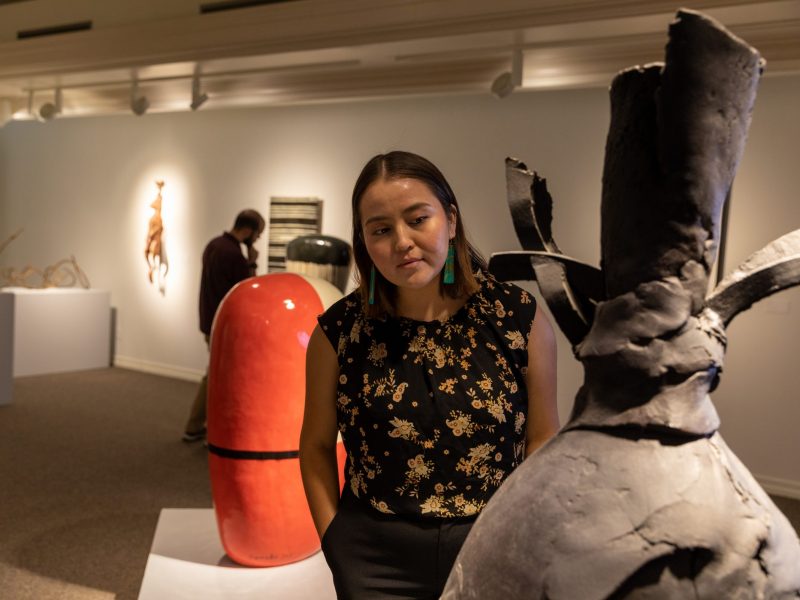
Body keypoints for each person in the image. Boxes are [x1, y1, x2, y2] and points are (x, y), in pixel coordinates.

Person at [299, 151, 559, 598]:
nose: (402, 241)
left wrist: (524, 532)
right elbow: (316, 445)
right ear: (364, 243)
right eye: (381, 229)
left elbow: (543, 439)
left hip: (491, 544)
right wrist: (335, 541)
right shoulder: (339, 333)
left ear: (451, 220)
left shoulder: (517, 320)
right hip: (374, 558)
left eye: (418, 219)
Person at [182, 209, 265, 442]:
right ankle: (196, 425)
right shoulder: (234, 255)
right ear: (248, 231)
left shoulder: (213, 245)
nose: (257, 240)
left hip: (210, 320)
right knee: (218, 377)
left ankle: (203, 426)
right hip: (225, 325)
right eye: (257, 235)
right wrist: (252, 262)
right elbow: (248, 290)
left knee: (218, 375)